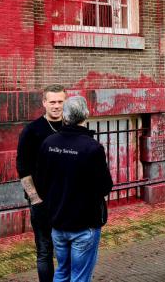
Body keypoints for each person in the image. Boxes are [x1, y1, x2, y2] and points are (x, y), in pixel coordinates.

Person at [35, 96, 113, 282]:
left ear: (65, 116)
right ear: (85, 115)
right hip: (84, 225)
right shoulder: (92, 148)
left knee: (62, 271)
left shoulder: (49, 143)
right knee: (80, 277)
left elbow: (40, 182)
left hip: (58, 223)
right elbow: (105, 186)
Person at [16, 84, 66, 282]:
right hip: (42, 201)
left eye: (60, 101)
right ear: (44, 103)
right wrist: (35, 199)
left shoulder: (71, 127)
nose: (56, 106)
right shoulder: (32, 131)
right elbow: (23, 167)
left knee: (66, 249)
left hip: (66, 200)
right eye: (52, 101)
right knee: (45, 251)